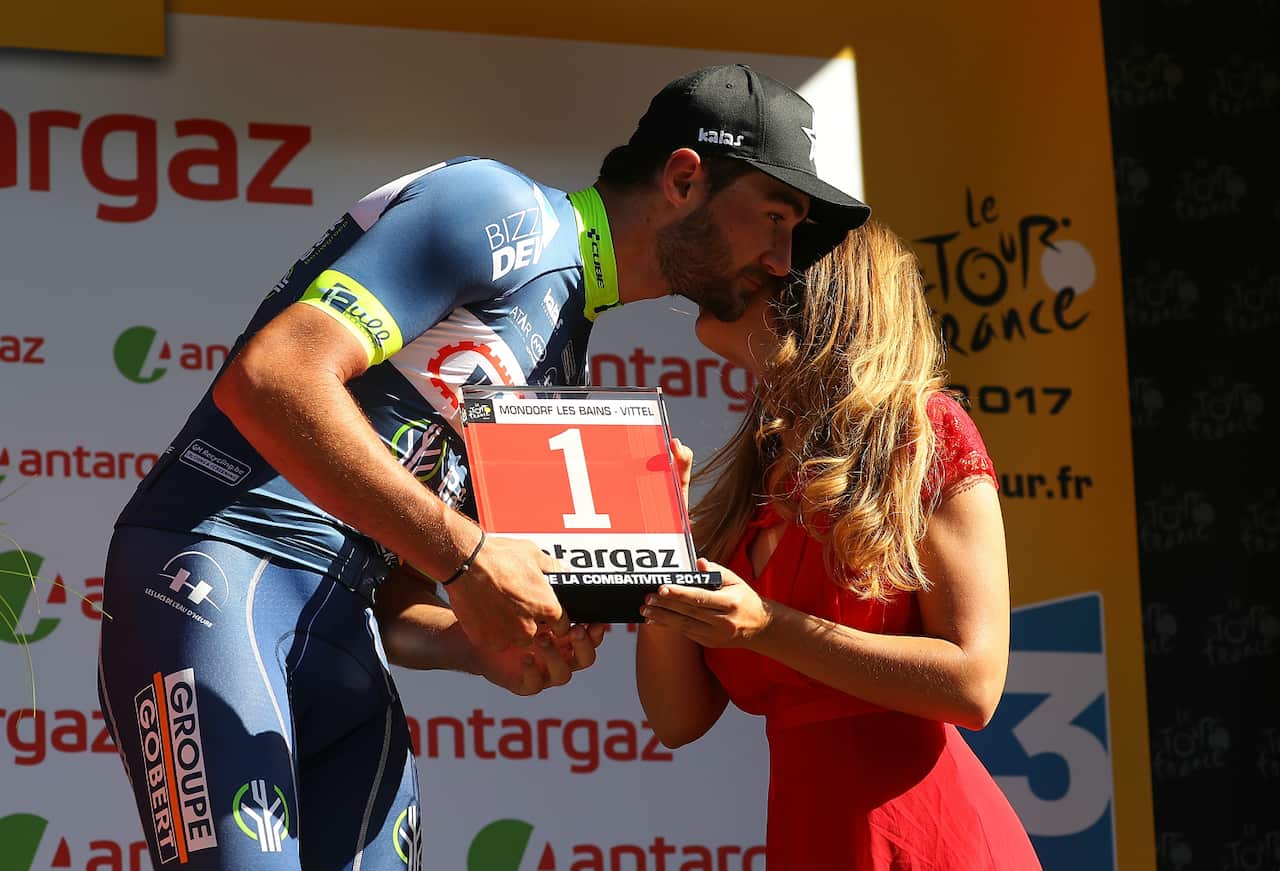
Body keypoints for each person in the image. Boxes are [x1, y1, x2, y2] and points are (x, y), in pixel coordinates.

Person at [96, 63, 870, 870]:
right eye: (775, 217)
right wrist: (467, 557)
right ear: (684, 178)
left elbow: (396, 588)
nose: (784, 260)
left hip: (342, 631)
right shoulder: (501, 209)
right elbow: (273, 377)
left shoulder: (563, 356)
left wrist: (479, 639)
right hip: (213, 575)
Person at [636, 220, 1042, 869]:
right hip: (811, 841)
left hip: (932, 844)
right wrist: (660, 543)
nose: (727, 276)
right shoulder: (761, 465)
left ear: (812, 296)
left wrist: (766, 626)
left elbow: (975, 683)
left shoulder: (923, 430)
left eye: (756, 268)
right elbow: (675, 718)